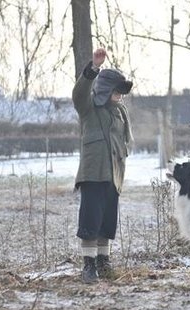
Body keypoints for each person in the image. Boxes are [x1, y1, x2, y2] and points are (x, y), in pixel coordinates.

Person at [72, 47, 134, 284]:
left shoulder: (120, 113)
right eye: (117, 91)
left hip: (113, 175)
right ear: (106, 90)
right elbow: (79, 94)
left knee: (107, 222)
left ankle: (103, 262)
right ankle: (88, 266)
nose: (120, 95)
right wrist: (93, 69)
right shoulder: (88, 109)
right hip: (93, 174)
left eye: (121, 91)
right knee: (90, 221)